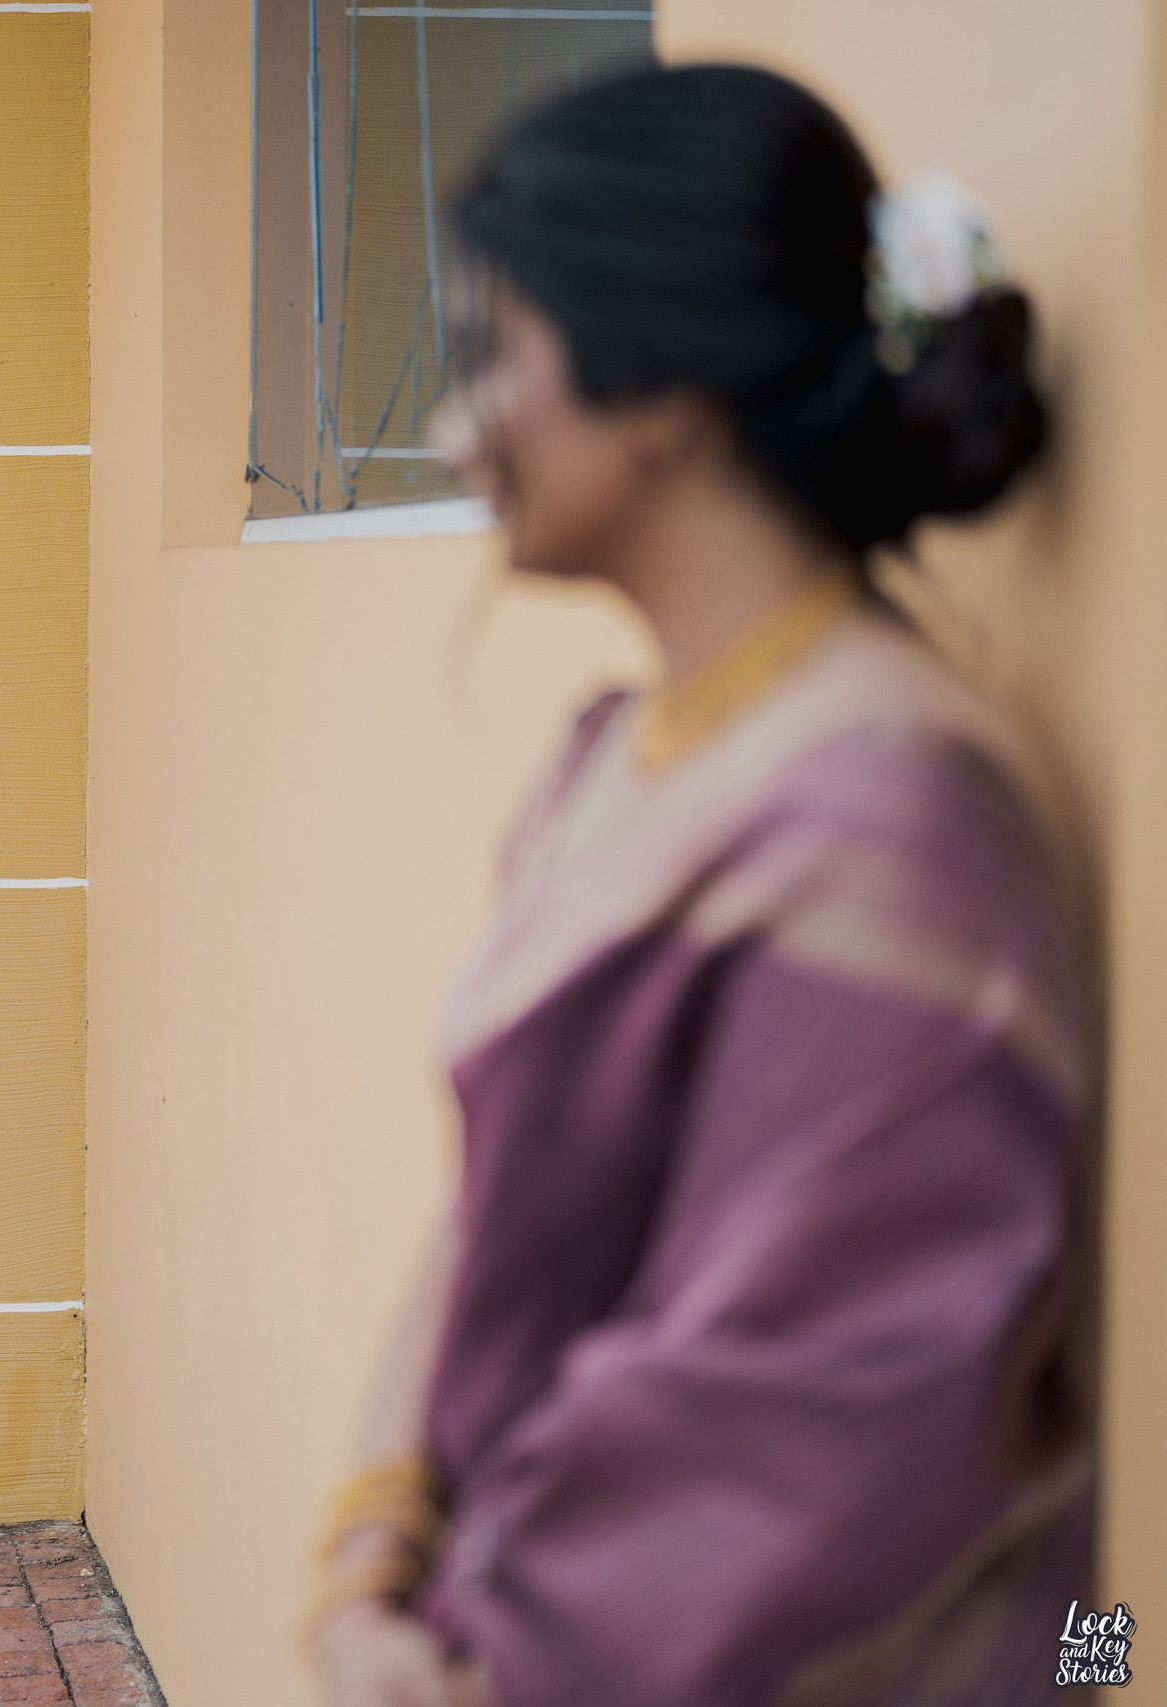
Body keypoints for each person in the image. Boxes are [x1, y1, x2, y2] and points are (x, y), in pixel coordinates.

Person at [311, 67, 1091, 1705]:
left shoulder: (896, 816)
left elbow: (793, 1422)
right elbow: (487, 1211)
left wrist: (457, 1664)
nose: (454, 432)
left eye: (488, 362)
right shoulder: (619, 754)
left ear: (662, 394)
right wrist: (368, 1555)